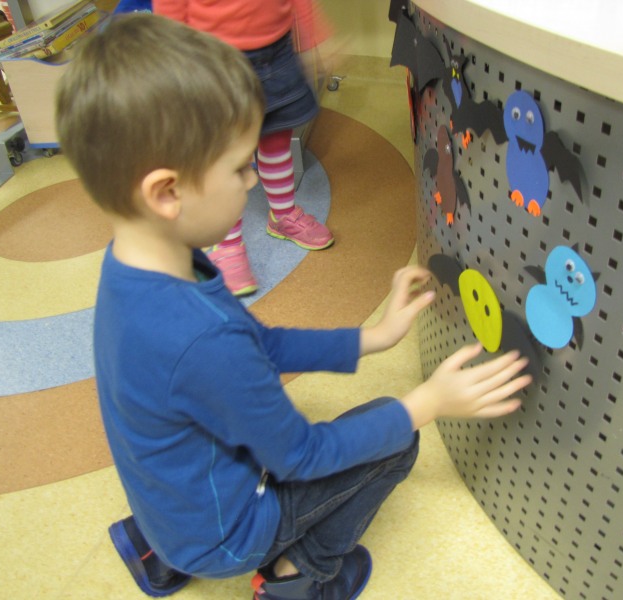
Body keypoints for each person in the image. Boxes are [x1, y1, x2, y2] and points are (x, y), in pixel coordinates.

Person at [55, 14, 533, 600]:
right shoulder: (203, 338)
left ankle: (162, 549)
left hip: (169, 508)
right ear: (167, 191)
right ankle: (297, 577)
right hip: (225, 538)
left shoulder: (134, 266)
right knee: (396, 438)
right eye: (239, 167)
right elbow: (303, 457)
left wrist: (372, 338)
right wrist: (427, 403)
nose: (253, 182)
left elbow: (258, 345)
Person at [153, 0, 334, 297]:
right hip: (214, 56)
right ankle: (227, 242)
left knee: (276, 138)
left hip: (277, 50)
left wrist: (315, 36)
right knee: (224, 156)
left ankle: (283, 215)